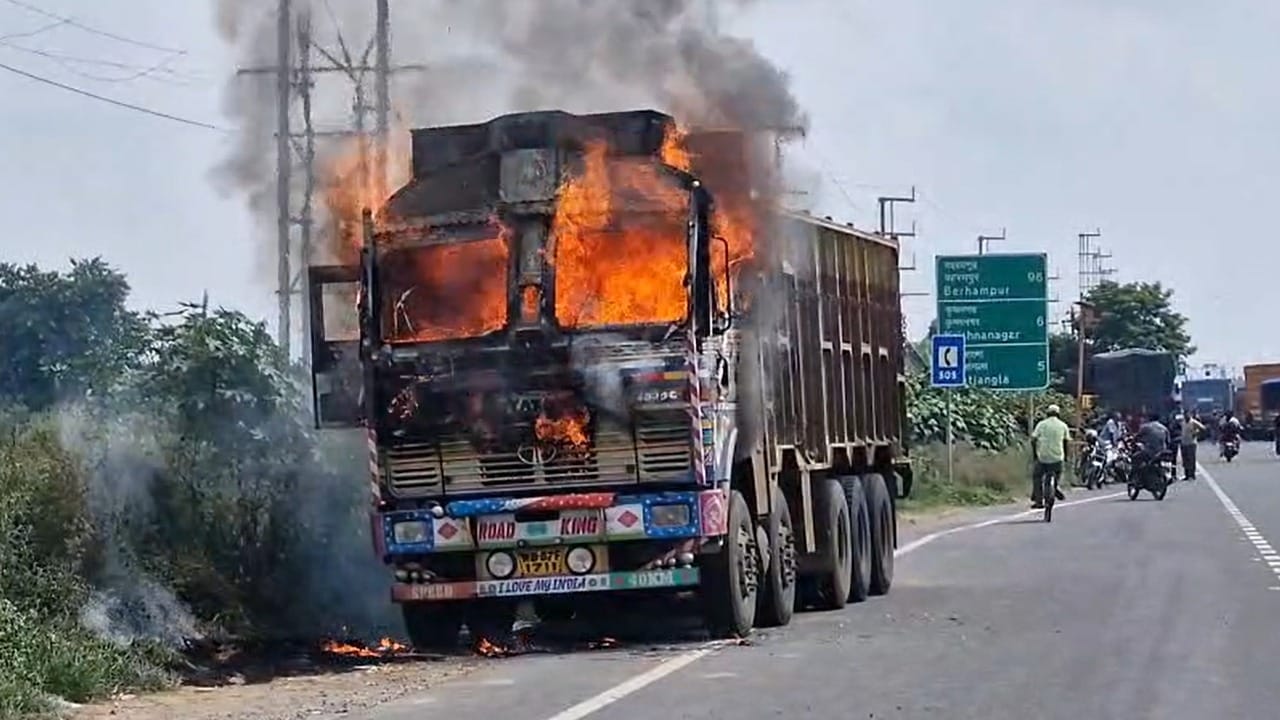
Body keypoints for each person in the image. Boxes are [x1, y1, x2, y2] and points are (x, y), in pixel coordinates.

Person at [1031, 404, 1071, 509]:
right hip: (1058, 458)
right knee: (1058, 474)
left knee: (1037, 477)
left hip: (1043, 457)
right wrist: (1066, 456)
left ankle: (1039, 501)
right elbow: (1066, 442)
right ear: (1058, 414)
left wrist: (1035, 454)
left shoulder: (1041, 424)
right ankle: (1056, 487)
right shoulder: (1063, 425)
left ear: (1047, 413)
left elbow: (1033, 439)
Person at [1134, 411, 1170, 478]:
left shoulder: (1146, 427)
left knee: (1135, 457)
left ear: (1149, 418)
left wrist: (1135, 440)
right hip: (1162, 451)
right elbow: (1168, 441)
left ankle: (1137, 476)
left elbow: (1137, 436)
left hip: (1150, 451)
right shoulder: (1164, 428)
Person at [1178, 413, 1206, 481]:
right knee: (1185, 460)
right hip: (1184, 443)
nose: (1186, 416)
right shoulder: (1182, 422)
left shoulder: (1193, 422)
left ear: (1190, 415)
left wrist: (1196, 433)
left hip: (1191, 443)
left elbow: (1203, 428)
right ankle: (1186, 475)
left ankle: (1192, 475)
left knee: (1191, 460)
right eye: (1185, 415)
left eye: (1187, 415)